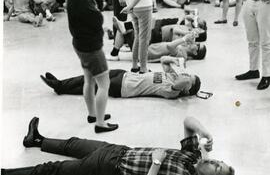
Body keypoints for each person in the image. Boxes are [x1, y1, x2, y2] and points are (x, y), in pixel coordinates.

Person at [1, 116, 235, 175]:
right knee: (72, 144)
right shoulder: (192, 157)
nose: (214, 161)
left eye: (216, 167)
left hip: (108, 170)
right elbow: (188, 120)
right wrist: (205, 132)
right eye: (219, 161)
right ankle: (36, 140)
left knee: (53, 170)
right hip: (119, 151)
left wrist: (156, 164)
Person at [66, 0, 118, 133]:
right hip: (91, 47)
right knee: (104, 84)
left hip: (80, 44)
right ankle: (100, 123)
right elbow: (97, 19)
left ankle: (93, 114)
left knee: (89, 80)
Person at [40, 57, 201, 99]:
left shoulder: (172, 92)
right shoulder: (172, 77)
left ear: (186, 88)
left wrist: (188, 80)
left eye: (189, 79)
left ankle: (60, 86)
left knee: (92, 84)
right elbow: (164, 60)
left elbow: (184, 82)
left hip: (123, 88)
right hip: (124, 74)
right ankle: (61, 84)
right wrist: (174, 62)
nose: (185, 75)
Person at [234, 0, 270, 90]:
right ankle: (253, 70)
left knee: (266, 41)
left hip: (265, 2)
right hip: (248, 0)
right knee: (252, 40)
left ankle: (267, 75)